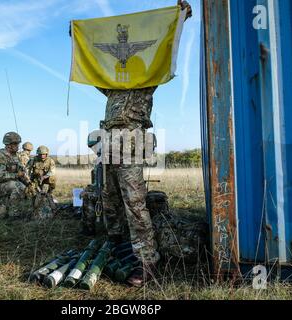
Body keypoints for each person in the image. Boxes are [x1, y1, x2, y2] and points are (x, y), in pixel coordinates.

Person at [94, 1, 193, 287]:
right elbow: (94, 69)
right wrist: (79, 42)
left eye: (132, 64)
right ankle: (115, 244)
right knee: (109, 200)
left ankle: (147, 261)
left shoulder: (147, 83)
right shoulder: (112, 90)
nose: (126, 67)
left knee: (135, 204)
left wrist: (180, 20)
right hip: (109, 144)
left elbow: (163, 51)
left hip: (131, 144)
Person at [28, 145, 57, 215]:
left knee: (53, 178)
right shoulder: (33, 160)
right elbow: (27, 169)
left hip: (46, 179)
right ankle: (35, 209)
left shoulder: (50, 161)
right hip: (35, 179)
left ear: (47, 154)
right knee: (34, 194)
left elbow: (52, 171)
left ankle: (50, 192)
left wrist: (44, 177)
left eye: (44, 154)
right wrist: (29, 179)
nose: (42, 156)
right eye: (40, 154)